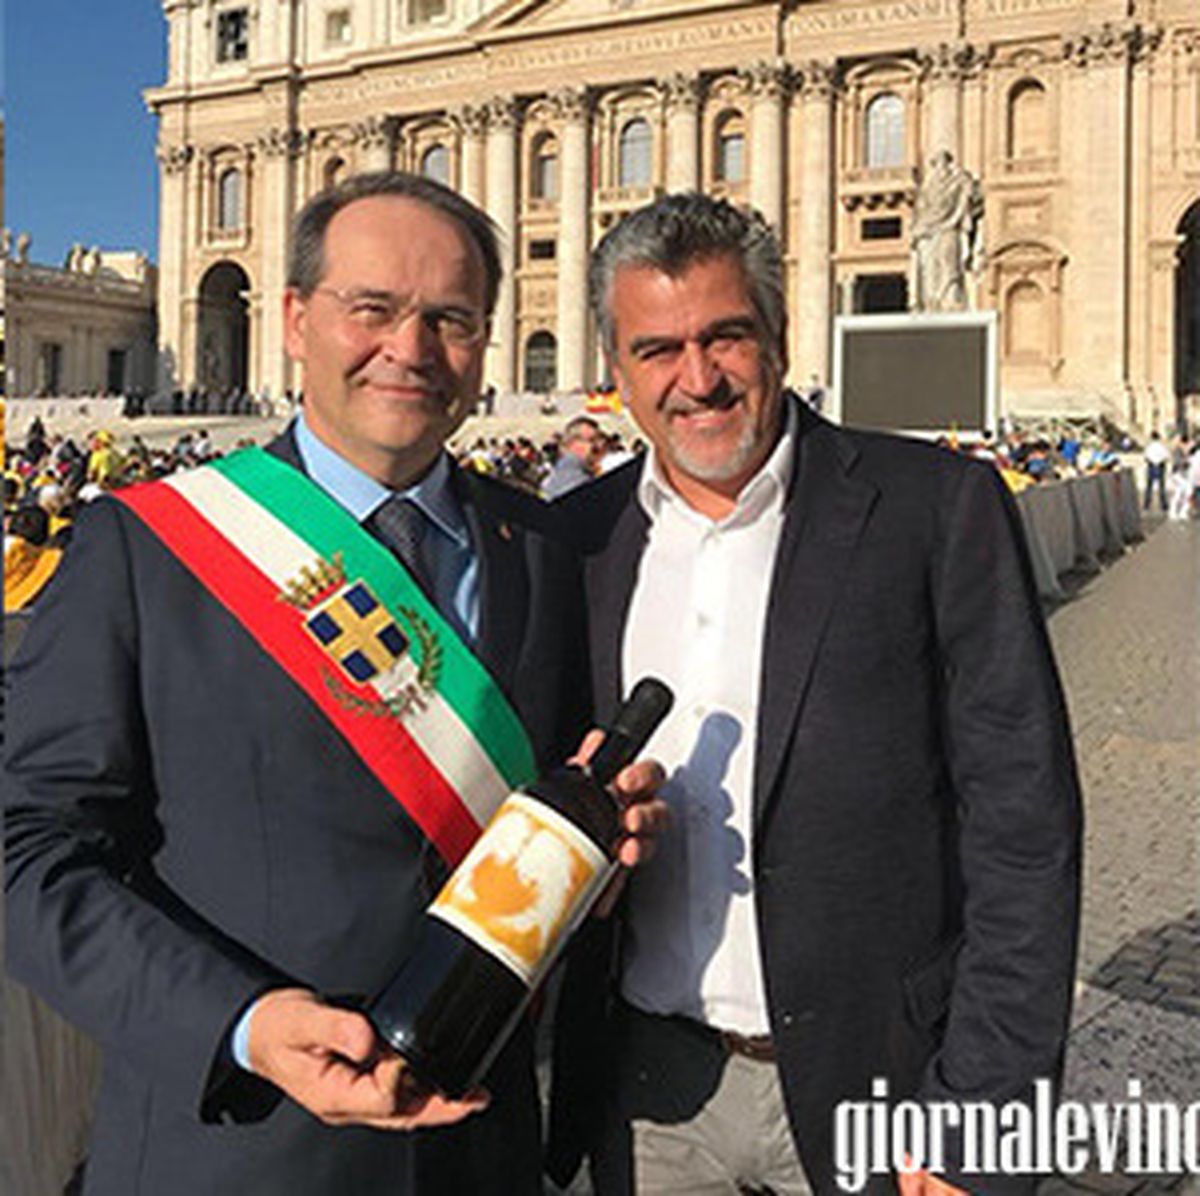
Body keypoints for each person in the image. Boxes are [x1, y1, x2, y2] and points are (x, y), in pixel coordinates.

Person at [4, 171, 664, 1196]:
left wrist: (603, 860)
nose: (410, 348)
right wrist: (242, 1022)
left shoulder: (544, 548)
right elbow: (26, 855)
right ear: (295, 319)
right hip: (229, 1147)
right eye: (374, 308)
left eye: (449, 317)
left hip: (477, 1153)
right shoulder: (148, 547)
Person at [547, 193, 1082, 1196]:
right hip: (647, 1084)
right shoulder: (576, 542)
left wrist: (990, 1106)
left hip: (882, 1079)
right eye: (657, 349)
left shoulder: (938, 509)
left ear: (780, 338)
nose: (696, 378)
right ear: (615, 373)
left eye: (726, 336)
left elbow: (1023, 822)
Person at [910, 150, 983, 313]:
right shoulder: (927, 188)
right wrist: (919, 230)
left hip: (949, 230)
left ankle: (950, 303)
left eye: (943, 162)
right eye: (936, 163)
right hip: (928, 232)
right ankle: (931, 303)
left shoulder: (959, 182)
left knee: (950, 269)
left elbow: (970, 196)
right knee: (929, 274)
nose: (940, 167)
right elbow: (921, 210)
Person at [543, 415, 603, 498]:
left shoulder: (555, 476)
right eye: (591, 440)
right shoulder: (576, 480)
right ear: (572, 443)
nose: (599, 446)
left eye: (599, 440)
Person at [1142, 430, 1169, 512]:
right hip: (1160, 466)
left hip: (1151, 466)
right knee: (1162, 487)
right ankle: (1164, 505)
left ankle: (1146, 504)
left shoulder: (1149, 447)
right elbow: (1166, 457)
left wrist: (1152, 461)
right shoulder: (1162, 447)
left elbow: (1146, 458)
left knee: (1149, 487)